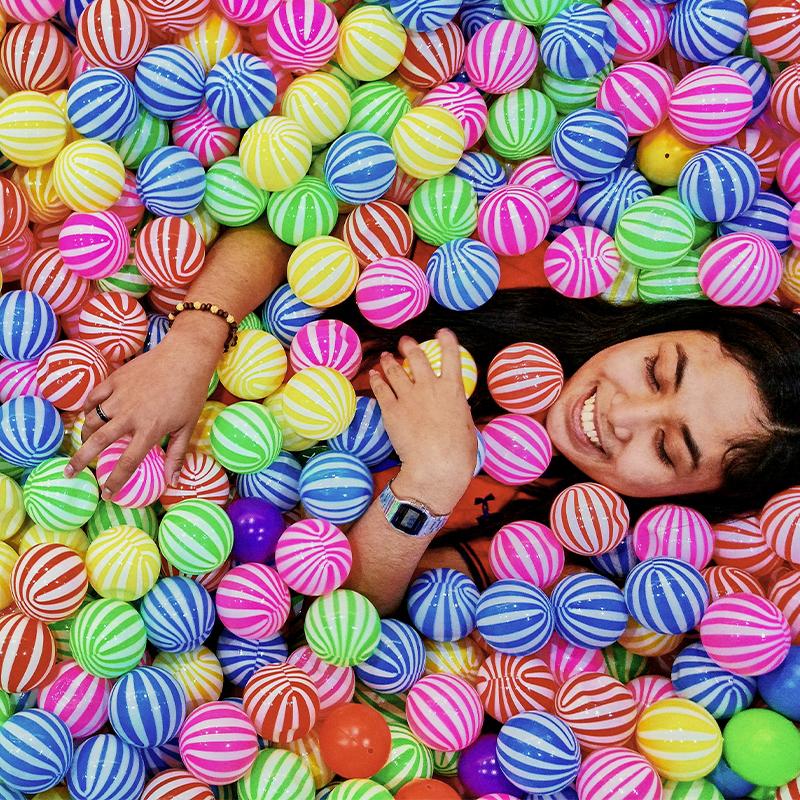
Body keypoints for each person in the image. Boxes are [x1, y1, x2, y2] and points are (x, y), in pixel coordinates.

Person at [65, 225, 800, 614]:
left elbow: (346, 616)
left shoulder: (548, 551)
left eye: (669, 450)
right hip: (106, 367)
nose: (623, 413)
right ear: (664, 324)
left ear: (690, 502)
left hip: (144, 552)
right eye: (656, 370)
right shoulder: (525, 270)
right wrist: (195, 343)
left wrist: (434, 477)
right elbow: (290, 230)